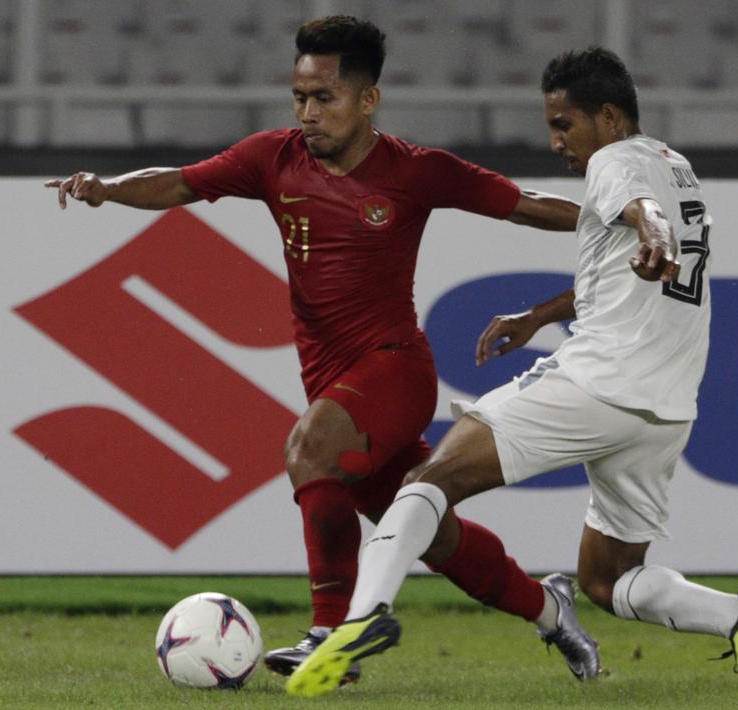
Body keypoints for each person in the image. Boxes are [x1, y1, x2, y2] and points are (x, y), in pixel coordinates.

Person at [45, 16, 600, 684]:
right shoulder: (272, 159)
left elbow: (524, 204)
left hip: (393, 367)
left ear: (367, 101)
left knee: (308, 449)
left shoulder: (415, 172)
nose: (308, 113)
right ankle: (549, 608)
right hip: (332, 378)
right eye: (299, 97)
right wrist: (107, 188)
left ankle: (329, 637)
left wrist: (619, 214)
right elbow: (180, 181)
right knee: (433, 534)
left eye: (324, 98)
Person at [287, 47, 738, 698]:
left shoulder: (614, 164)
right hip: (663, 410)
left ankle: (359, 622)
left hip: (597, 385)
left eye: (563, 125)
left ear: (607, 117)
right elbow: (622, 266)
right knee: (607, 580)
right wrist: (539, 314)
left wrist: (651, 227)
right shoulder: (677, 167)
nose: (555, 142)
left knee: (427, 481)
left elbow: (639, 211)